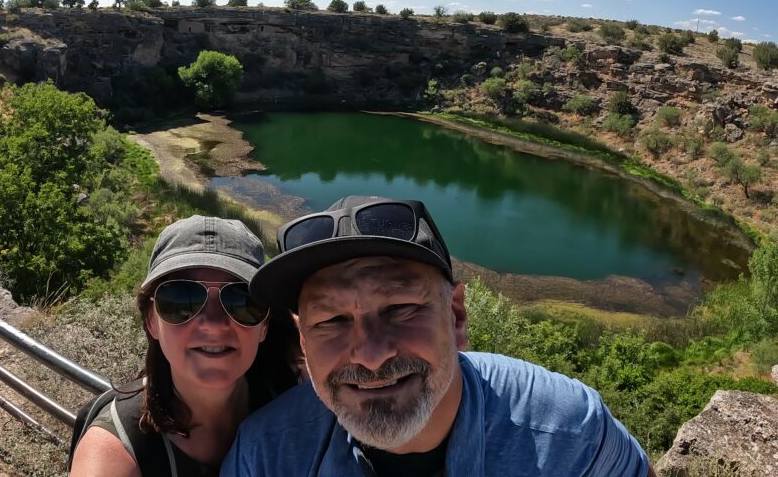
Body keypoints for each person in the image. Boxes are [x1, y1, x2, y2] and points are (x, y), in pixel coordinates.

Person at [222, 196, 655, 477]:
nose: (372, 356)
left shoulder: (568, 433)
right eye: (332, 320)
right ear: (302, 342)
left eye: (399, 309)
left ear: (457, 316)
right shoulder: (265, 456)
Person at [70, 215, 299, 477]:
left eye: (241, 300)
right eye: (181, 300)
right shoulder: (115, 451)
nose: (213, 324)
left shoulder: (291, 394)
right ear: (151, 322)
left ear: (265, 325)